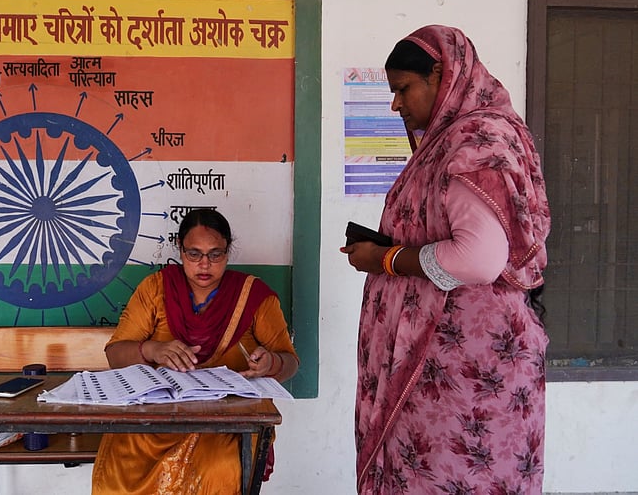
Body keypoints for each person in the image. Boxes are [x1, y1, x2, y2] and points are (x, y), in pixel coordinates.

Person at [341, 25, 551, 494]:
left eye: (402, 89)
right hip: (445, 365)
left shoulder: (477, 140)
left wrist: (387, 258)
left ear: (441, 73)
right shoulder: (458, 138)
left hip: (461, 372)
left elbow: (479, 259)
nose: (396, 105)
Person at [92, 208, 299, 495]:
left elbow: (290, 362)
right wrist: (153, 349)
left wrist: (271, 363)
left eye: (215, 254)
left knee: (218, 468)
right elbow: (116, 354)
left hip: (227, 422)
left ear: (228, 252)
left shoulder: (253, 296)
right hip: (156, 416)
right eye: (194, 254)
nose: (205, 265)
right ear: (180, 250)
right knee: (124, 458)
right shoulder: (156, 288)